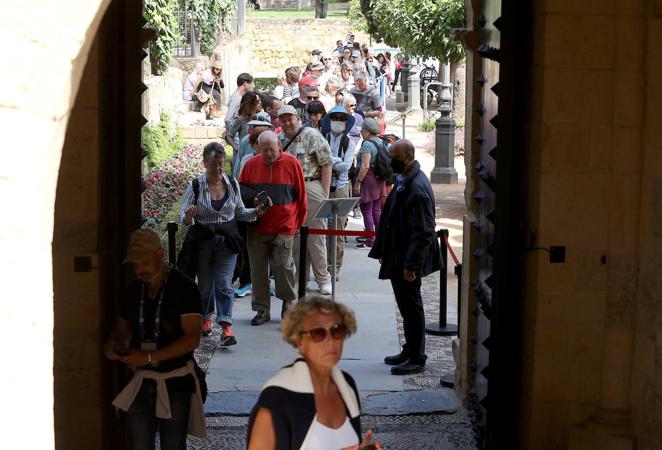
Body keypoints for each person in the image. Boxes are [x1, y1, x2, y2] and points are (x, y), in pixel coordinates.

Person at [104, 228, 206, 449]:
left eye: (144, 262)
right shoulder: (132, 289)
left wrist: (149, 357)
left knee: (173, 444)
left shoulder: (185, 288)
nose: (139, 269)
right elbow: (122, 331)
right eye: (135, 264)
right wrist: (115, 345)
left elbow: (192, 339)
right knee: (139, 445)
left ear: (160, 254)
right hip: (140, 379)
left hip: (176, 379)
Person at [247, 296, 382, 450]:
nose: (330, 341)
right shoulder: (277, 397)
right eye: (318, 333)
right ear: (298, 340)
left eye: (337, 330)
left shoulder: (346, 385)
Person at [179, 143, 267, 344]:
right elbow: (182, 216)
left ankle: (226, 326)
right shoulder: (196, 185)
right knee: (206, 287)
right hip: (203, 242)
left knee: (224, 284)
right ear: (204, 163)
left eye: (221, 165)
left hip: (228, 242)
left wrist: (256, 212)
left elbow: (239, 213)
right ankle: (206, 318)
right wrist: (188, 217)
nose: (218, 169)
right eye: (213, 165)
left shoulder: (232, 184)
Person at [368, 139, 441, 376]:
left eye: (394, 158)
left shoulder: (417, 187)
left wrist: (411, 266)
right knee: (405, 305)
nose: (390, 162)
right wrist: (383, 250)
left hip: (408, 258)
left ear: (407, 158)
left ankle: (417, 357)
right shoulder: (405, 179)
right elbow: (392, 218)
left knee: (412, 307)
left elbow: (423, 231)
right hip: (398, 254)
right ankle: (409, 350)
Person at [239, 130, 307, 326]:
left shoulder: (292, 163)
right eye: (265, 150)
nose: (269, 154)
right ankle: (262, 309)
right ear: (259, 148)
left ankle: (288, 305)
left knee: (284, 268)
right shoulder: (251, 164)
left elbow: (301, 197)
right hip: (258, 225)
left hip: (284, 225)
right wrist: (253, 199)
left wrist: (298, 224)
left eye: (273, 149)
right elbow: (241, 189)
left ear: (279, 146)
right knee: (258, 270)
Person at [279, 105, 333, 295]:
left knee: (316, 236)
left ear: (297, 118)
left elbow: (326, 164)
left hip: (311, 185)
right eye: (283, 120)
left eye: (290, 119)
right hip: (289, 190)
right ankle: (300, 279)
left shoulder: (311, 134)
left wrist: (324, 195)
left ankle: (323, 279)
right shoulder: (279, 140)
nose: (287, 123)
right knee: (294, 238)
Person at [321, 106, 356, 277]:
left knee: (338, 228)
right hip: (323, 186)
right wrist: (334, 161)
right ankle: (322, 265)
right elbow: (317, 161)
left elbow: (346, 166)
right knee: (320, 228)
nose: (338, 121)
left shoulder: (350, 142)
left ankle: (334, 266)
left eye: (342, 118)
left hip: (341, 187)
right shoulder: (322, 138)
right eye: (335, 118)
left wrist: (329, 161)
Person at [353, 118, 386, 248]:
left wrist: (358, 182)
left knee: (366, 209)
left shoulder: (367, 144)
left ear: (366, 131)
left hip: (368, 178)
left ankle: (370, 239)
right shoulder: (382, 142)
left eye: (362, 130)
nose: (361, 132)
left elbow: (365, 165)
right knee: (376, 208)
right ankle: (379, 236)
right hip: (380, 177)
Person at [232, 111, 273, 179]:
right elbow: (239, 163)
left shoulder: (273, 139)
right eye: (254, 126)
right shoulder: (246, 140)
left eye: (260, 126)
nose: (257, 129)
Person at [225, 91, 261, 162]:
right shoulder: (241, 119)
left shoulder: (261, 117)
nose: (259, 103)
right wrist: (237, 148)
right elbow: (229, 136)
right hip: (245, 153)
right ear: (250, 103)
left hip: (258, 153)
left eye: (260, 100)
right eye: (257, 101)